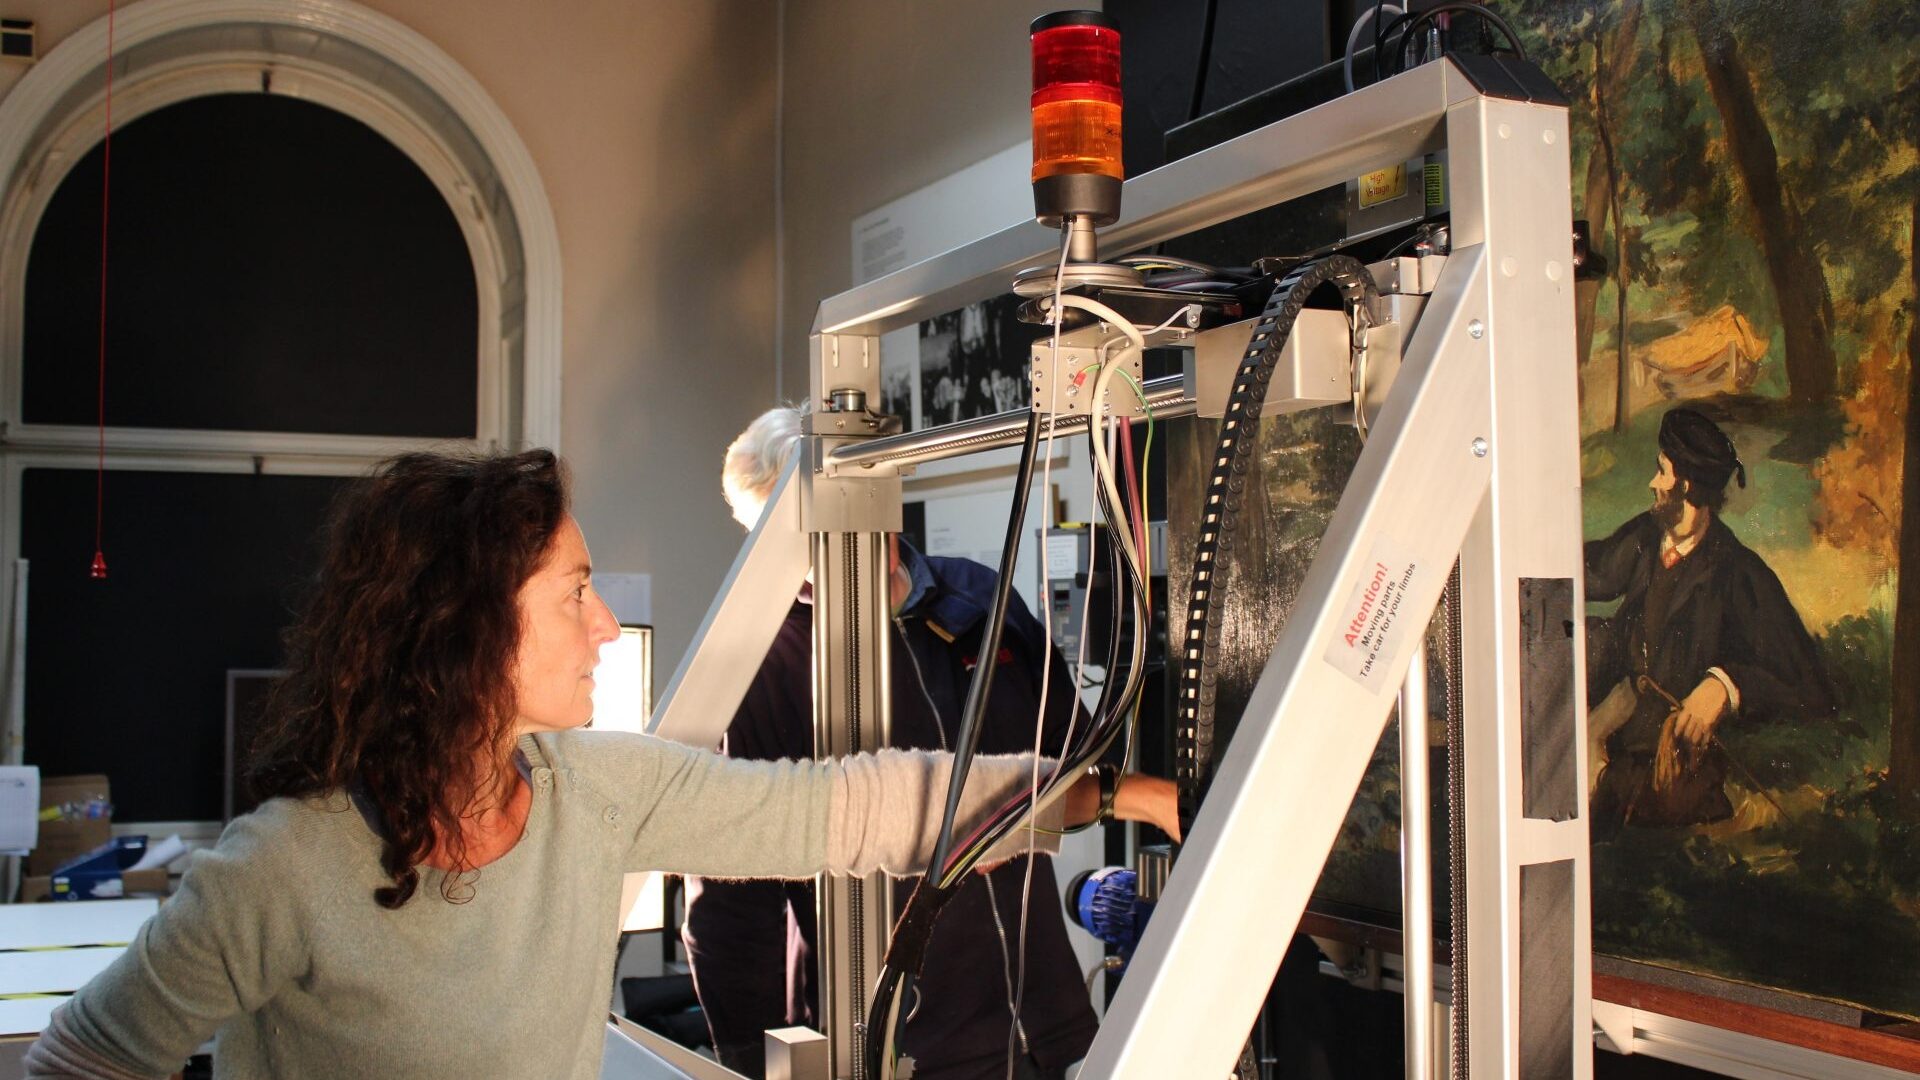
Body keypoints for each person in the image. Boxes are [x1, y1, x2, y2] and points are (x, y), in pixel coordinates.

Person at [25, 449, 1178, 1080]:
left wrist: (1116, 794)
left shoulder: (599, 792)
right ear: (465, 627)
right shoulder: (276, 874)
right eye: (574, 593)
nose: (607, 629)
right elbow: (83, 1060)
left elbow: (861, 808)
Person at [686, 406, 1127, 1080]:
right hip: (906, 1045)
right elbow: (730, 907)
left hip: (1053, 1023)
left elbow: (1074, 760)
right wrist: (748, 1061)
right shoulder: (761, 668)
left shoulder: (979, 596)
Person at [1584, 407, 1835, 837]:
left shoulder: (1738, 574)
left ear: (1685, 486)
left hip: (1668, 780)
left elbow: (1810, 687)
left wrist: (1724, 687)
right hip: (1610, 731)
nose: (1652, 483)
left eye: (1661, 473)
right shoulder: (1648, 535)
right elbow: (1594, 571)